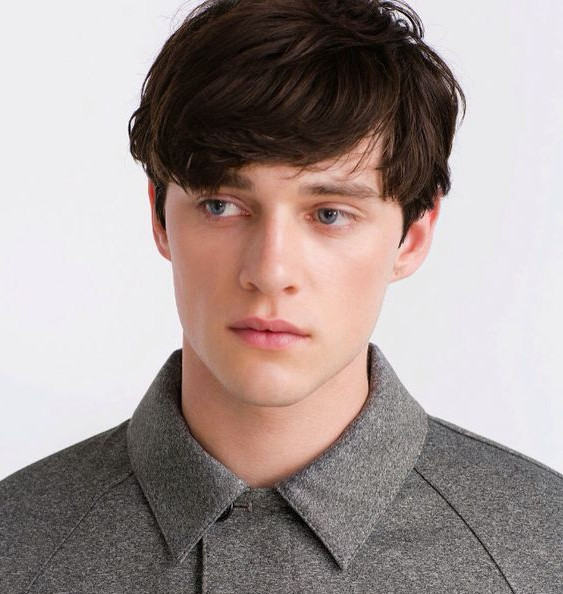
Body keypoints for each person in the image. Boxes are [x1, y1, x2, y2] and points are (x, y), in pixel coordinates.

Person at [1, 0, 561, 592]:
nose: (270, 272)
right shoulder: (17, 547)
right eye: (221, 205)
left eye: (329, 214)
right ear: (160, 217)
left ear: (412, 237)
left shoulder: (543, 553)